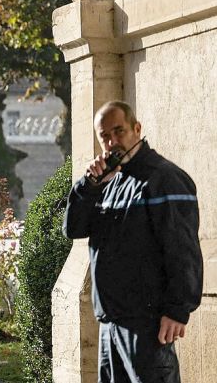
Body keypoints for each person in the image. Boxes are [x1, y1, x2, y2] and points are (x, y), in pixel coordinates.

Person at [64, 101, 201, 383]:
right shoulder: (110, 182)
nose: (112, 141)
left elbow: (183, 251)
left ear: (136, 129)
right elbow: (73, 229)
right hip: (110, 323)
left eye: (119, 131)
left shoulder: (165, 179)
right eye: (105, 136)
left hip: (147, 325)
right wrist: (88, 186)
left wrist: (177, 310)